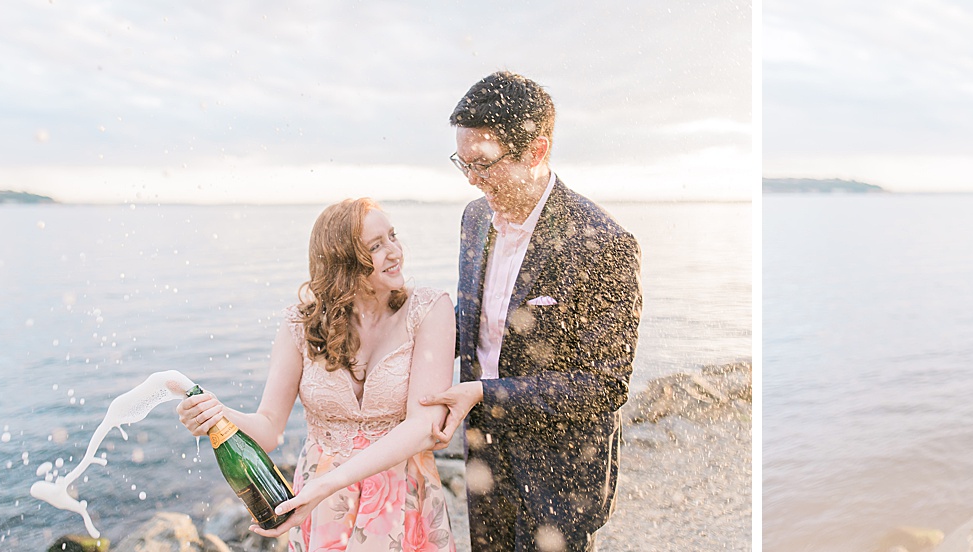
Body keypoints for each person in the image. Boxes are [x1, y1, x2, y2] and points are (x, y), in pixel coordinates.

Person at [418, 71, 641, 552]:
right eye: (463, 164)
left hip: (560, 478)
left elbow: (604, 385)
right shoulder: (475, 219)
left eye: (484, 164)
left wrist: (483, 393)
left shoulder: (604, 244)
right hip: (484, 461)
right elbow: (474, 322)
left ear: (536, 152)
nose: (474, 181)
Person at [176, 199, 458, 551]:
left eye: (392, 237)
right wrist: (215, 414)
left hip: (400, 496)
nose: (395, 251)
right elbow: (268, 429)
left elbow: (423, 428)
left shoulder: (430, 309)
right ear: (342, 261)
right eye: (375, 246)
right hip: (323, 508)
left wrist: (328, 484)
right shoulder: (300, 323)